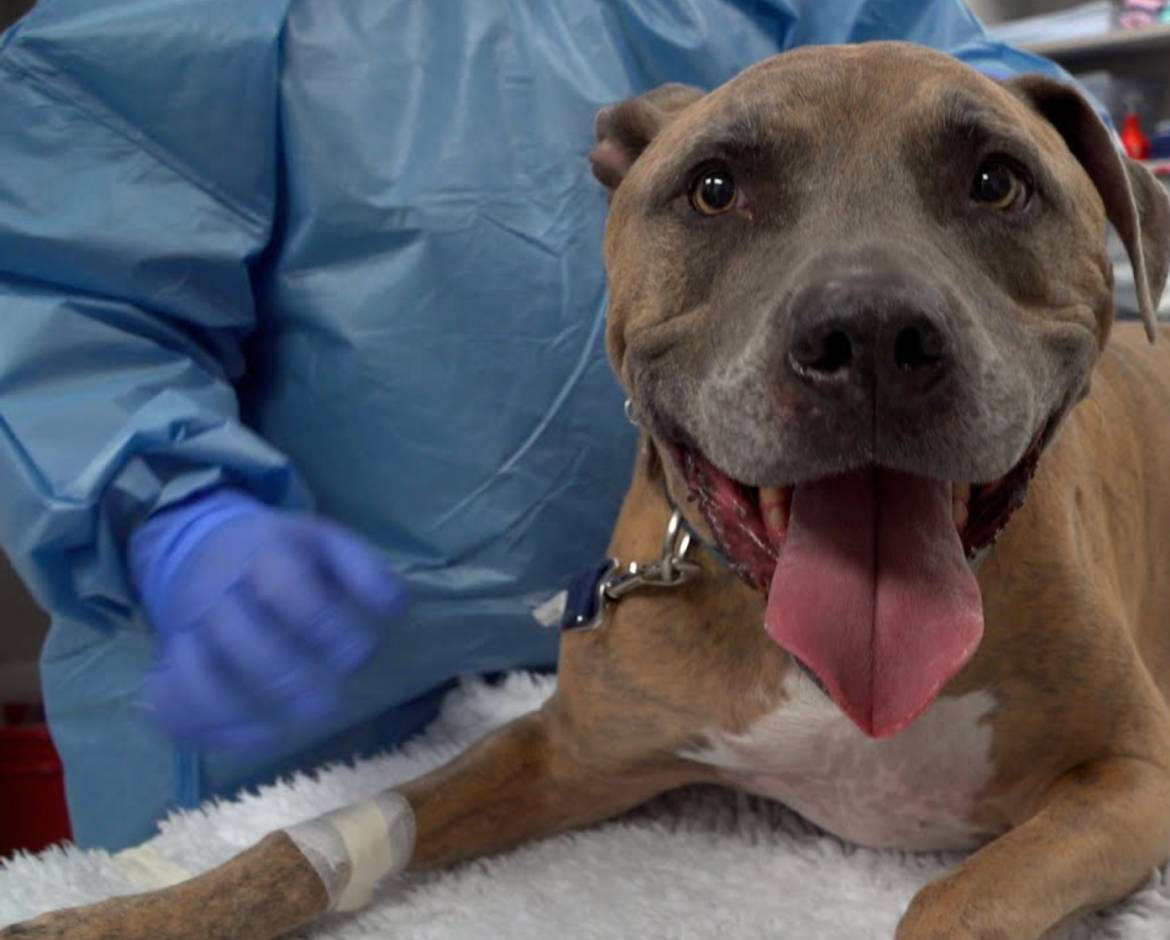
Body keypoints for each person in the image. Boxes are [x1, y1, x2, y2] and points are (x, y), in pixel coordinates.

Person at [0, 0, 1095, 850]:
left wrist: (1000, 194)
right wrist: (170, 512)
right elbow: (62, 280)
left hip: (714, 692)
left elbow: (962, 94)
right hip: (295, 730)